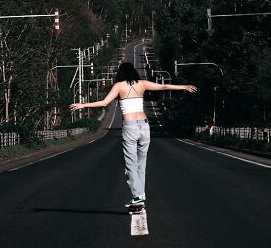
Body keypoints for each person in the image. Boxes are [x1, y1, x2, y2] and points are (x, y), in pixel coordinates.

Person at [70, 61, 197, 209]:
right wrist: (184, 87)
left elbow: (104, 103)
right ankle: (140, 195)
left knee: (131, 163)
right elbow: (163, 86)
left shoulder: (119, 86)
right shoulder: (141, 84)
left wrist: (83, 105)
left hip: (130, 127)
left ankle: (137, 196)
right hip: (144, 126)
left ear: (121, 73)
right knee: (141, 164)